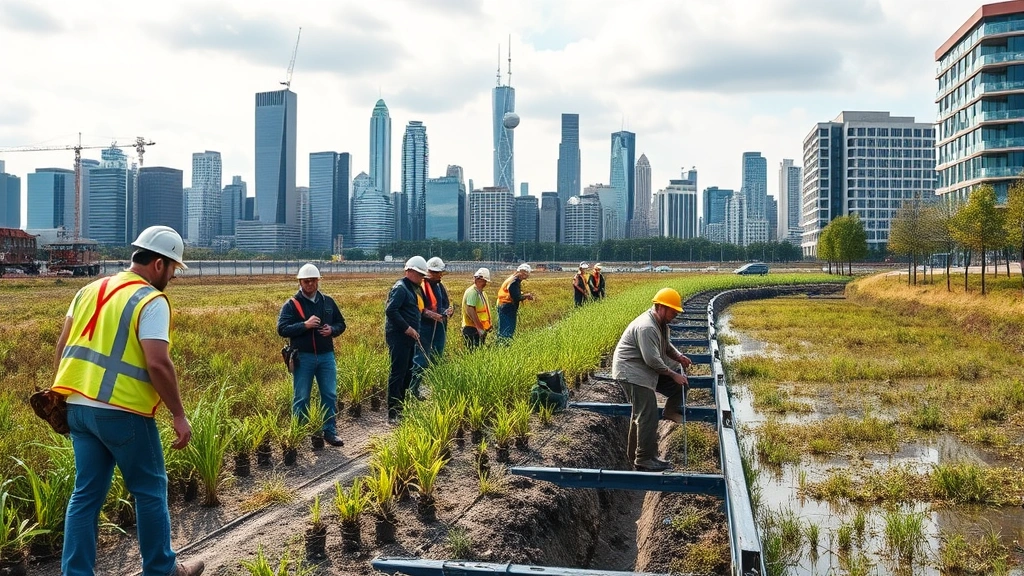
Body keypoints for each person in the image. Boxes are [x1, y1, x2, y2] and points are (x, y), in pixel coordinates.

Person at [52, 226, 204, 576]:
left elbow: (62, 348)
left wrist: (64, 396)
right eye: (172, 270)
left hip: (77, 408)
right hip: (123, 412)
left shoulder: (88, 290)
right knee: (150, 489)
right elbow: (157, 362)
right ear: (158, 264)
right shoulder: (150, 299)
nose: (172, 278)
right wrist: (179, 415)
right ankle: (163, 570)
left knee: (86, 495)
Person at [611, 288, 693, 472]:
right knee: (647, 414)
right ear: (661, 307)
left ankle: (669, 413)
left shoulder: (660, 324)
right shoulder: (647, 327)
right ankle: (644, 459)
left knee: (678, 387)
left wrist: (679, 357)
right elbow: (652, 360)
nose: (675, 315)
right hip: (631, 371)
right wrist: (673, 374)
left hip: (645, 369)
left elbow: (665, 345)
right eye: (673, 311)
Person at [276, 263, 347, 447]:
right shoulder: (292, 305)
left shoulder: (328, 302)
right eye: (306, 281)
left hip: (326, 356)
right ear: (300, 282)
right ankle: (298, 436)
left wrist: (332, 329)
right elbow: (282, 329)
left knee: (330, 394)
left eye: (313, 281)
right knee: (301, 397)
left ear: (318, 281)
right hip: (303, 357)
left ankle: (329, 431)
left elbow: (341, 324)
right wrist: (305, 325)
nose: (310, 284)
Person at [384, 256, 427, 423]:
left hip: (409, 337)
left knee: (408, 372)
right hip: (399, 337)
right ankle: (393, 413)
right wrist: (407, 328)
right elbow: (391, 311)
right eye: (420, 274)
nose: (422, 278)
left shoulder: (415, 288)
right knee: (398, 373)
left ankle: (401, 408)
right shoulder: (401, 288)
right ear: (409, 271)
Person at [410, 257, 453, 400]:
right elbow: (418, 309)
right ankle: (413, 390)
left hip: (439, 327)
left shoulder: (440, 286)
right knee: (420, 359)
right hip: (425, 328)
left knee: (436, 358)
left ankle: (434, 388)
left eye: (440, 272)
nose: (439, 275)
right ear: (429, 271)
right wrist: (432, 315)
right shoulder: (420, 287)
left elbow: (445, 304)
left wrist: (448, 311)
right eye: (436, 273)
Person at [495, 263, 535, 342]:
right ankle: (504, 347)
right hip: (507, 307)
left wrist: (523, 295)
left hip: (505, 306)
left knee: (504, 329)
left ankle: (503, 345)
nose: (527, 275)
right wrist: (526, 296)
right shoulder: (514, 281)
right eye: (526, 273)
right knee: (507, 330)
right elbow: (516, 297)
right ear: (522, 272)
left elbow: (514, 293)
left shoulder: (513, 279)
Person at [461, 268, 492, 350]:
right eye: (478, 279)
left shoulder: (481, 292)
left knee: (478, 351)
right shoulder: (472, 292)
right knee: (472, 352)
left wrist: (487, 324)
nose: (480, 282)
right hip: (471, 328)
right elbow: (470, 310)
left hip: (478, 327)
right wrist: (479, 328)